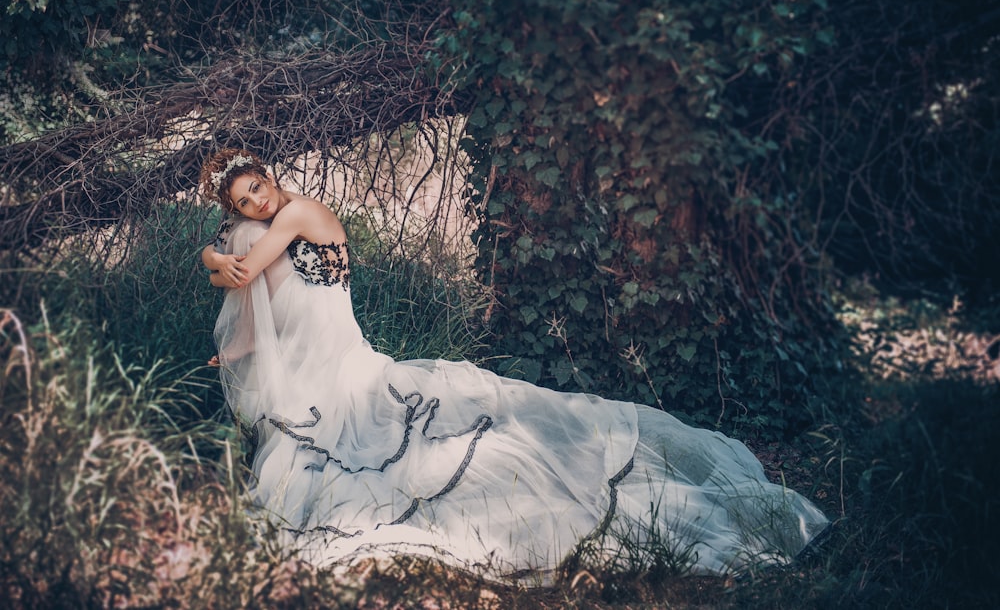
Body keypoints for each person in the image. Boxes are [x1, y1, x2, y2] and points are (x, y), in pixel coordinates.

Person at [199, 147, 829, 580]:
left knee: (435, 450)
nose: (256, 201)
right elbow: (270, 298)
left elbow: (243, 269)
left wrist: (209, 253)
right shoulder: (268, 227)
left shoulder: (300, 213)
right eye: (244, 200)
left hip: (348, 363)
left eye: (255, 186)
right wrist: (227, 325)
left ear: (269, 175)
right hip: (328, 365)